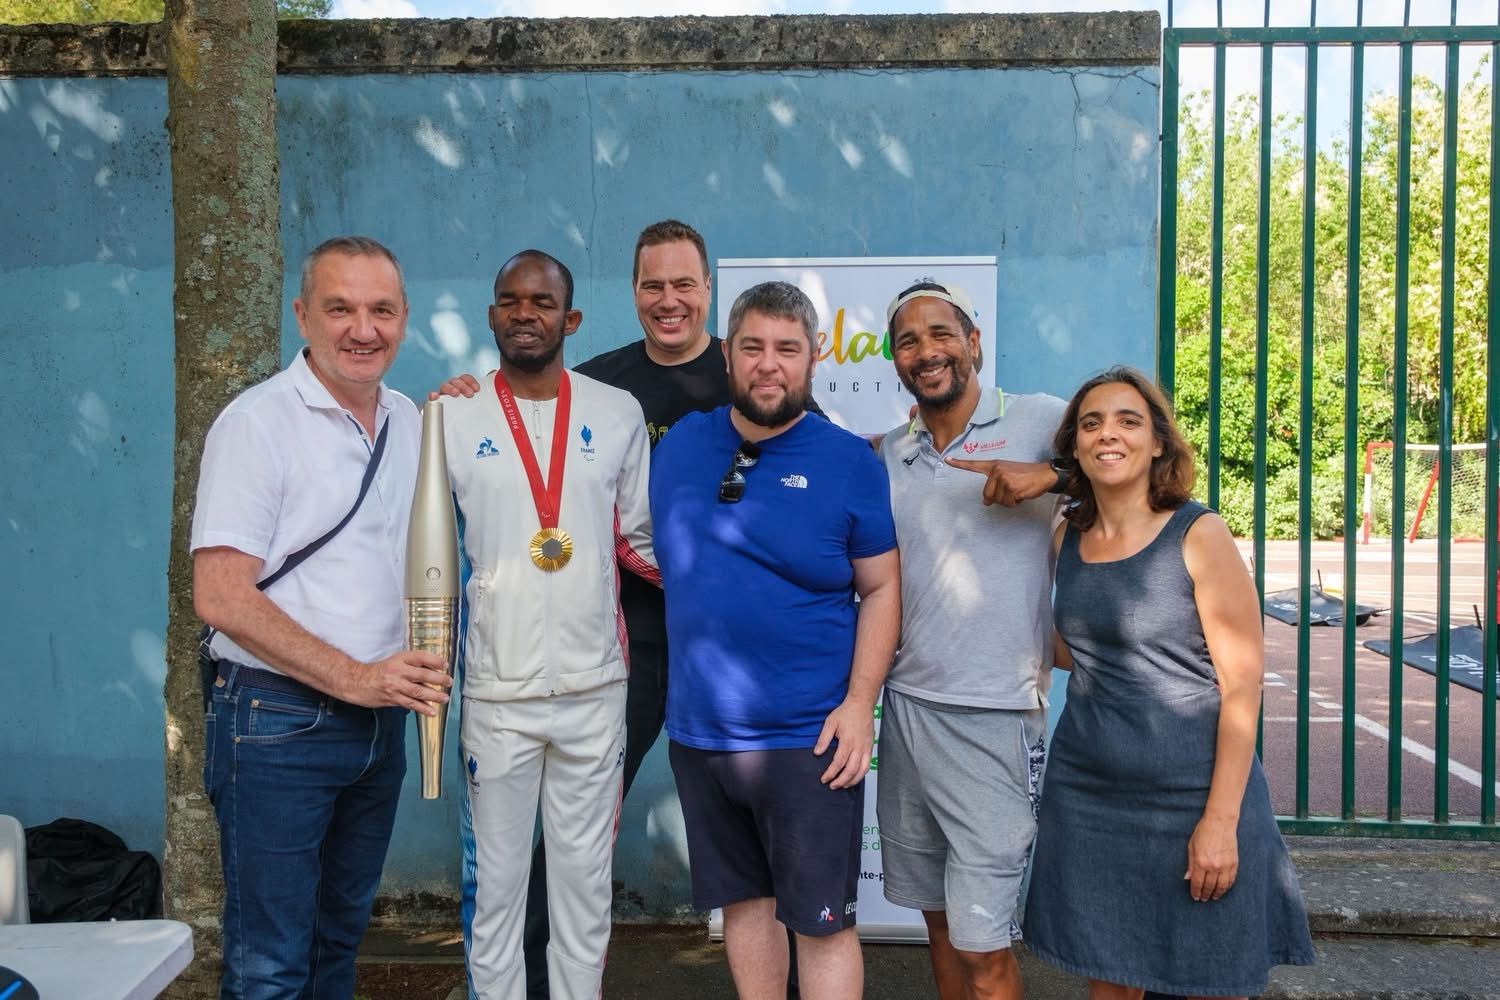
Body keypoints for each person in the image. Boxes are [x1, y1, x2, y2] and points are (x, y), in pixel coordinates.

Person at [191, 236, 453, 999]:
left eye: (381, 311)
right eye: (341, 309)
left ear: (404, 318)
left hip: (379, 727)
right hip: (276, 722)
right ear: (302, 315)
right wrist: (356, 678)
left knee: (336, 945)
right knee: (270, 964)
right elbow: (221, 596)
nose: (363, 329)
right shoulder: (257, 423)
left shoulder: (411, 422)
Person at [1023, 366, 1314, 999]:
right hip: (1090, 795)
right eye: (1092, 423)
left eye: (1128, 421)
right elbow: (1077, 652)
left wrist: (1221, 821)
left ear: (1158, 443)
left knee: (1210, 977)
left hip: (1192, 796)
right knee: (1111, 980)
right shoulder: (1067, 536)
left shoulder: (1198, 533)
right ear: (1074, 445)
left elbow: (1242, 685)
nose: (1108, 434)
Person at [650, 280, 901, 1000]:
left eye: (787, 349)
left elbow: (882, 587)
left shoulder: (849, 461)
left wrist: (859, 704)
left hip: (807, 740)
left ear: (813, 357)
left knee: (822, 926)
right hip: (701, 735)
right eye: (753, 346)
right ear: (727, 354)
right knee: (744, 909)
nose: (769, 364)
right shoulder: (681, 445)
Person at [441, 249, 658, 1000]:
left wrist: (738, 580)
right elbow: (426, 557)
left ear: (571, 319)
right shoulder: (450, 416)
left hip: (595, 692)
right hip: (496, 696)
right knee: (495, 897)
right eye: (510, 300)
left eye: (541, 301)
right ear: (492, 314)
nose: (524, 313)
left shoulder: (616, 412)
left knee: (584, 893)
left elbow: (639, 541)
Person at [874, 280, 1066, 1000]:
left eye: (940, 334)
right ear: (896, 360)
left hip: (996, 715)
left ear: (974, 342)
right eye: (908, 341)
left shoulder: (1040, 419)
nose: (926, 351)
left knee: (984, 946)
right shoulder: (893, 451)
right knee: (940, 922)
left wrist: (1051, 473)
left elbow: (1142, 464)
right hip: (906, 711)